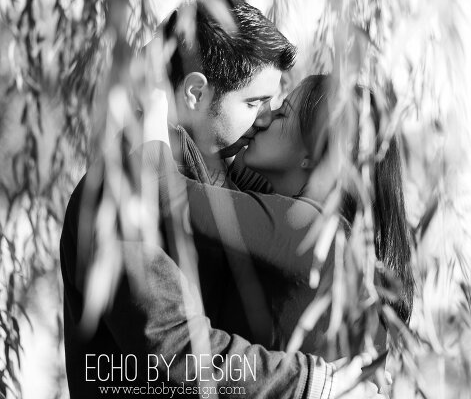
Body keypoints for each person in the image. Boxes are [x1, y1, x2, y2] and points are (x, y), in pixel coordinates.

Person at [61, 0, 384, 398]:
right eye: (254, 102)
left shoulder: (229, 184)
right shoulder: (121, 190)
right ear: (196, 93)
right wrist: (310, 381)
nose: (267, 117)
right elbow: (171, 347)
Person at [138, 74, 415, 360]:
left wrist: (153, 101)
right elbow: (232, 167)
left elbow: (163, 190)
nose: (262, 120)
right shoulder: (336, 238)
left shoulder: (306, 228)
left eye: (282, 114)